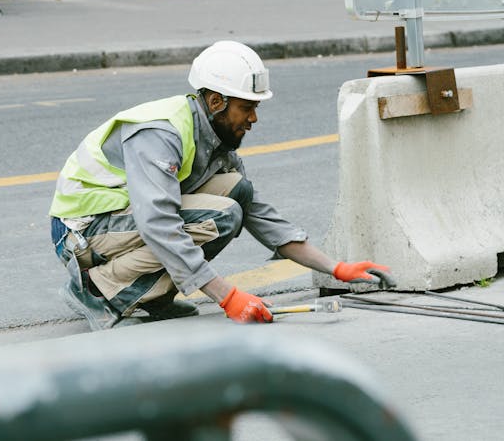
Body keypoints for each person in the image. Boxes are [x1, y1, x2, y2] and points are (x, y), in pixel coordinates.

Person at [49, 40, 391, 330]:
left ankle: (152, 296)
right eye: (247, 108)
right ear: (216, 102)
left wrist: (335, 268)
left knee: (237, 192)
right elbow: (158, 223)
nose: (254, 119)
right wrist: (226, 296)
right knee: (222, 215)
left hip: (119, 223)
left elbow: (259, 214)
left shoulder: (215, 139)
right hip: (82, 232)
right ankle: (98, 292)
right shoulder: (161, 133)